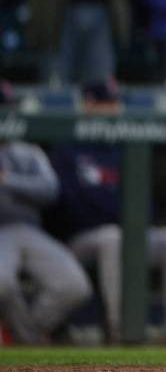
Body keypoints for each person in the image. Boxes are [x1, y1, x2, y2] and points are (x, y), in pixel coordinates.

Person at [47, 81, 166, 344]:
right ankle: (121, 328)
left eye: (115, 103)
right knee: (113, 237)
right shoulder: (66, 148)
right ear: (88, 106)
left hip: (126, 233)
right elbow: (70, 207)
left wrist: (123, 217)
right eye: (105, 104)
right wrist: (115, 212)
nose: (113, 110)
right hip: (80, 240)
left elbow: (143, 204)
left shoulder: (123, 147)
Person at [0, 83, 92, 343]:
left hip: (30, 230)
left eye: (7, 108)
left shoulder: (27, 151)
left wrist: (7, 180)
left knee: (75, 284)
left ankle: (20, 334)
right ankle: (26, 337)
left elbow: (51, 190)